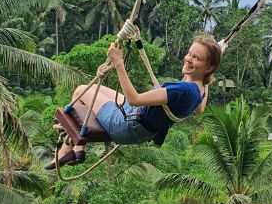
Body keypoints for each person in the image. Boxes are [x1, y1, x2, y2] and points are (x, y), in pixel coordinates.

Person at [47, 33, 222, 169]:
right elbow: (200, 109)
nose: (188, 58)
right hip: (141, 124)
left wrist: (118, 63)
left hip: (126, 125)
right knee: (91, 90)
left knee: (80, 91)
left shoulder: (183, 90)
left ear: (209, 67)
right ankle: (75, 148)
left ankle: (71, 148)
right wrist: (210, 68)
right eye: (189, 53)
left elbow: (135, 99)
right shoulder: (198, 90)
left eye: (196, 58)